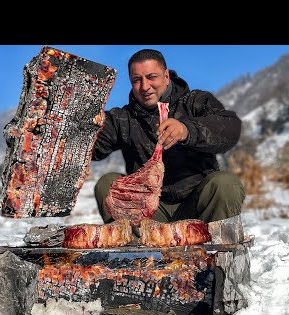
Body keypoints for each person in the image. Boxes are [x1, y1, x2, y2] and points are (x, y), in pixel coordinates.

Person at [92, 49, 245, 227]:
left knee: (225, 184)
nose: (145, 86)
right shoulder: (121, 119)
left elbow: (230, 129)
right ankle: (135, 250)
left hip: (197, 206)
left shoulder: (195, 102)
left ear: (166, 76)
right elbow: (91, 147)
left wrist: (187, 130)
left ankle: (218, 251)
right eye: (136, 80)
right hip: (147, 214)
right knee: (107, 185)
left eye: (151, 77)